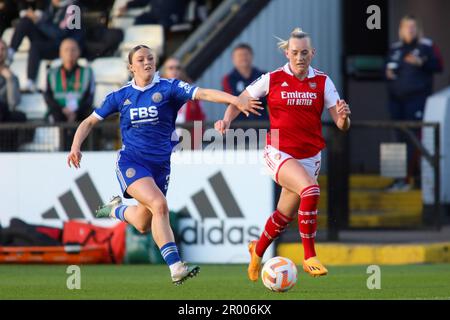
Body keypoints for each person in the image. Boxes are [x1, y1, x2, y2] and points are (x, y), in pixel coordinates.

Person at [67, 45, 261, 285]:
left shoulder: (169, 87)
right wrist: (76, 145)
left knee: (142, 223)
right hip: (132, 161)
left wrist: (236, 100)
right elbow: (89, 121)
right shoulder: (121, 95)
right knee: (159, 204)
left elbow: (204, 94)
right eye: (140, 59)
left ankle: (114, 209)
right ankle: (176, 267)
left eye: (150, 58)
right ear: (131, 67)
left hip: (160, 166)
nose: (147, 62)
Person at [215, 28, 351, 280]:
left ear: (313, 53)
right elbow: (241, 99)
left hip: (310, 156)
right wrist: (226, 120)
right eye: (295, 52)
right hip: (279, 151)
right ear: (287, 53)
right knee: (310, 191)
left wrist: (343, 118)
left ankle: (257, 251)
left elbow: (342, 126)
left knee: (283, 216)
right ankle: (309, 256)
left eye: (305, 52)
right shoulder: (272, 78)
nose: (300, 57)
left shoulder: (323, 81)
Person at [385, 15, 443, 191]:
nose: (409, 30)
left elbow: (439, 66)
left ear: (418, 29)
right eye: (406, 27)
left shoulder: (427, 46)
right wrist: (386, 71)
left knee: (414, 138)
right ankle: (397, 180)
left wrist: (422, 62)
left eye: (413, 27)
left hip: (417, 100)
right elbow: (385, 68)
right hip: (396, 101)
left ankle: (412, 179)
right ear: (400, 30)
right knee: (396, 139)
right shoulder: (395, 48)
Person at [8, 0, 83, 91]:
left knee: (36, 46)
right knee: (25, 21)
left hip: (62, 46)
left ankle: (30, 81)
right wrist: (35, 18)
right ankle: (9, 53)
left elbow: (60, 34)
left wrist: (37, 21)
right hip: (49, 38)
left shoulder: (74, 8)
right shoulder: (49, 4)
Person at [44, 38, 94, 123]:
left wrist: (76, 112)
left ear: (79, 52)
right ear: (60, 53)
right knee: (55, 115)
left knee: (90, 114)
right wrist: (63, 110)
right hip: (59, 111)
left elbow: (89, 97)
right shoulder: (52, 73)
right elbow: (48, 96)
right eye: (66, 50)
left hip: (80, 112)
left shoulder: (87, 72)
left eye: (73, 50)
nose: (70, 53)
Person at [160, 56, 205, 149]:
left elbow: (200, 117)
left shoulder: (192, 90)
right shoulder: (156, 92)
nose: (175, 70)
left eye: (178, 68)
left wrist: (195, 142)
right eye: (171, 68)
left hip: (187, 142)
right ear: (164, 71)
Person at [222, 43, 268, 122]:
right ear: (233, 59)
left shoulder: (264, 76)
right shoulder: (228, 79)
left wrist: (243, 99)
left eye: (246, 54)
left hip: (263, 123)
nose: (243, 58)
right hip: (238, 126)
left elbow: (269, 99)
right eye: (240, 55)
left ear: (252, 56)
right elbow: (229, 100)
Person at [0, 39, 24, 123]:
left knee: (20, 116)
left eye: (3, 49)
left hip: (3, 113)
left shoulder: (12, 77)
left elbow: (13, 103)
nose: (0, 53)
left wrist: (10, 80)